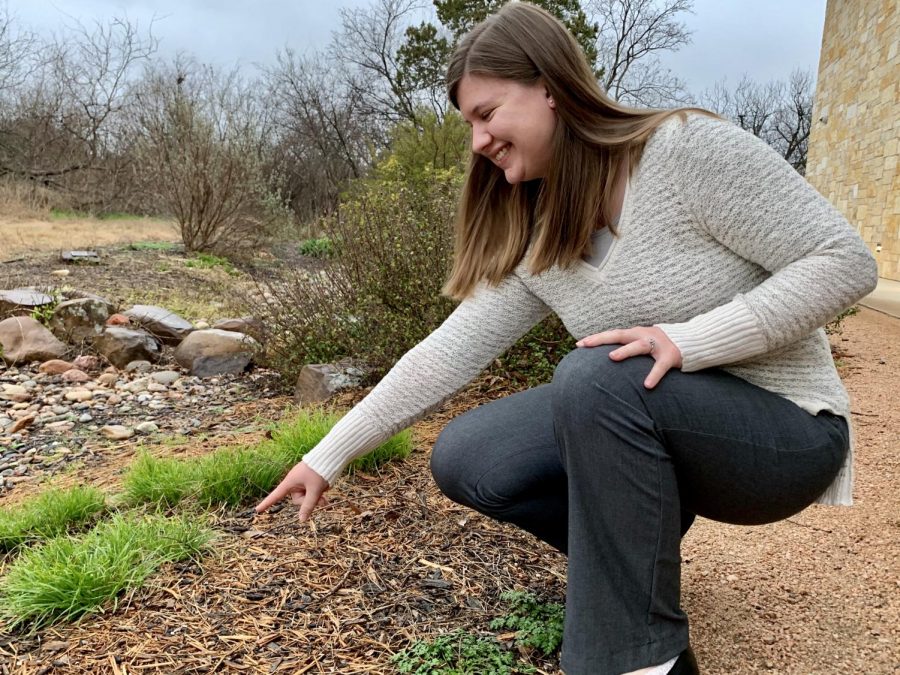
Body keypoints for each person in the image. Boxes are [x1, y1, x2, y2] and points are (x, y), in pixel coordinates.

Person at [256, 3, 878, 674]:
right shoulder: (541, 235)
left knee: (593, 377)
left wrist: (688, 340)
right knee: (470, 454)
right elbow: (443, 351)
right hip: (662, 432)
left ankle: (638, 660)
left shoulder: (684, 151)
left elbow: (845, 262)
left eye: (487, 114)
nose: (477, 141)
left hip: (785, 433)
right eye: (468, 123)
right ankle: (638, 571)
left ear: (550, 87)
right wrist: (327, 455)